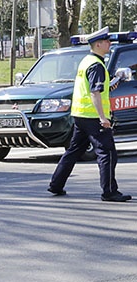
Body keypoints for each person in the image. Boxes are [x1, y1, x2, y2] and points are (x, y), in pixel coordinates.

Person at [48, 27, 131, 202]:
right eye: (107, 41)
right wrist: (103, 117)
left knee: (73, 151)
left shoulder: (87, 61)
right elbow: (94, 93)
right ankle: (109, 191)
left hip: (81, 115)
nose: (109, 44)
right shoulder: (96, 65)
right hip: (94, 117)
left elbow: (94, 89)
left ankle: (56, 184)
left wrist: (110, 85)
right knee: (107, 153)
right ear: (98, 44)